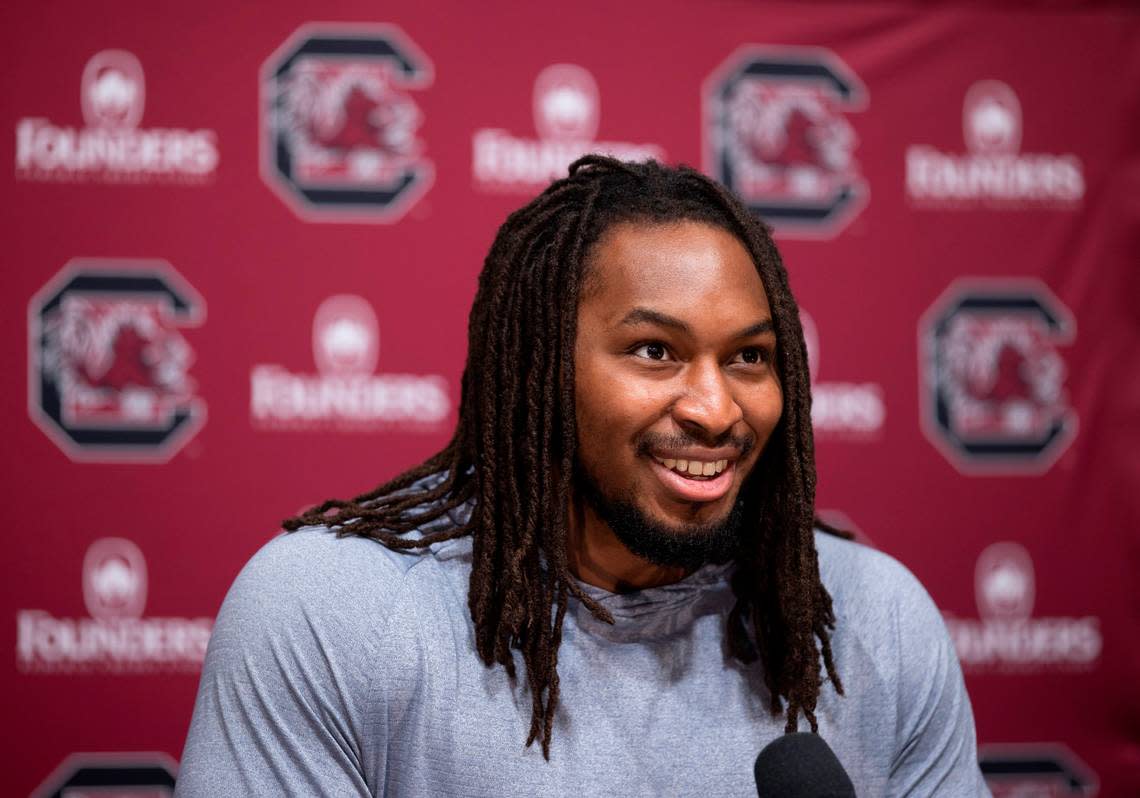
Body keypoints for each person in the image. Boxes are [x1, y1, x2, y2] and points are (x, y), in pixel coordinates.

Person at [176, 156, 990, 796]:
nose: (714, 408)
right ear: (541, 370)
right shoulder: (330, 614)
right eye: (654, 351)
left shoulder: (874, 621)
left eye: (749, 357)